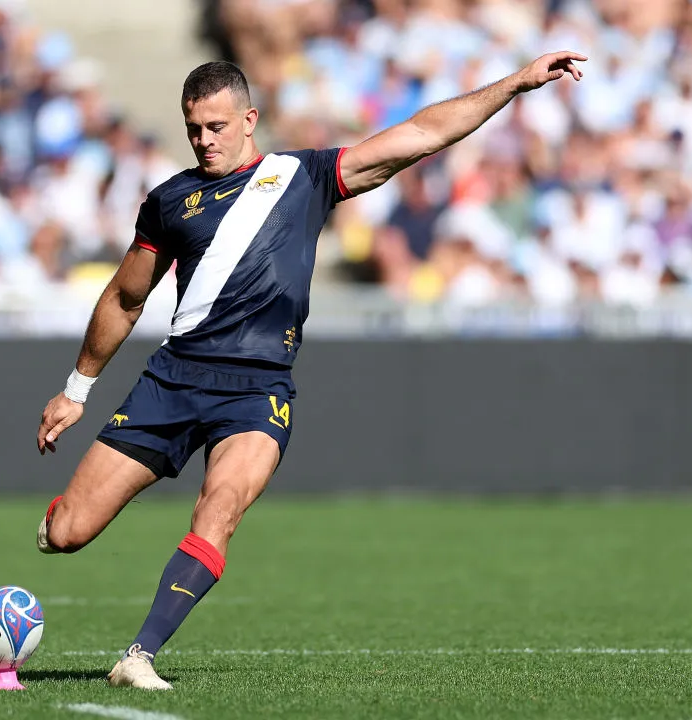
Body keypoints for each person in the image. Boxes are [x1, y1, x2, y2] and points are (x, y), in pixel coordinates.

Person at [34, 52, 586, 690]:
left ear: (250, 119)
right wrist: (77, 390)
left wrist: (517, 82)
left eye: (216, 126)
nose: (204, 140)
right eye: (193, 129)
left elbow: (425, 133)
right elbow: (128, 298)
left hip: (257, 390)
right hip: (173, 380)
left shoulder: (303, 176)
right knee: (68, 532)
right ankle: (58, 531)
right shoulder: (170, 201)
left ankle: (139, 656)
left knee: (221, 508)